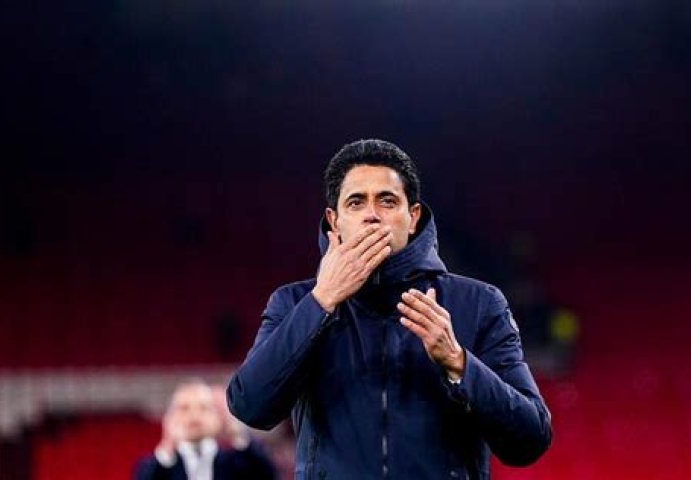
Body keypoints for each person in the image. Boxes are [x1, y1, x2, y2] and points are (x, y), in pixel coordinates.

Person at [227, 139, 552, 479]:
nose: (372, 214)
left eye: (387, 200)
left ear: (412, 217)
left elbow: (529, 440)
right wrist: (320, 302)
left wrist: (459, 363)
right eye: (356, 202)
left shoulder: (479, 303)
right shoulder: (294, 303)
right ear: (334, 221)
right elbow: (250, 406)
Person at [134, 379, 276, 480]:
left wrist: (235, 432)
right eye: (184, 408)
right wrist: (168, 444)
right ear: (170, 417)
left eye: (203, 408)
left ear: (218, 416)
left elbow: (268, 475)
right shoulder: (158, 466)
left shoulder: (236, 462)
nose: (194, 416)